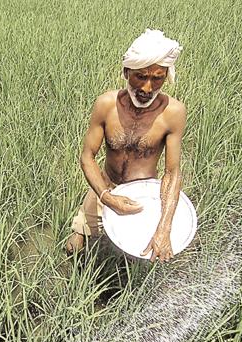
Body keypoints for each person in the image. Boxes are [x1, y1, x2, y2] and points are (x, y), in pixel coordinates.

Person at [66, 29, 185, 263]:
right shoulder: (106, 104)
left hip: (142, 194)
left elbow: (172, 173)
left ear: (166, 76)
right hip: (105, 186)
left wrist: (165, 227)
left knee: (136, 259)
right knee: (74, 248)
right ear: (126, 71)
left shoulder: (173, 113)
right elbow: (88, 156)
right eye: (140, 76)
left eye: (158, 78)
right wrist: (106, 197)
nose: (148, 88)